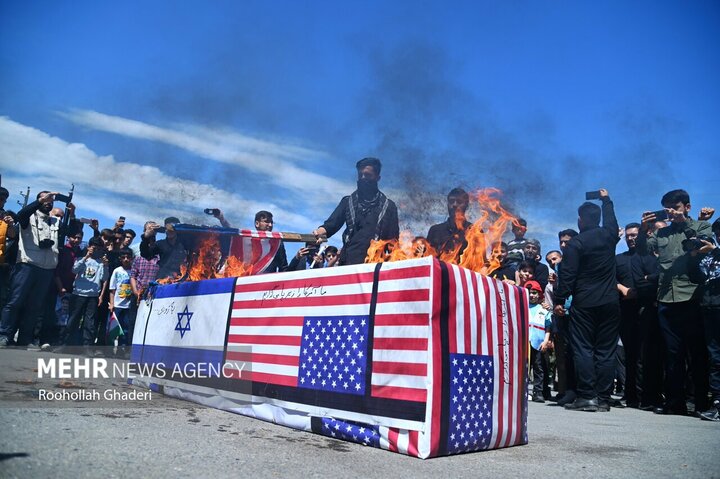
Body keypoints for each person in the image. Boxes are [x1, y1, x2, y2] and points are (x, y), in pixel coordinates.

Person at [637, 189, 711, 416]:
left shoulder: (700, 226)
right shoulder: (661, 234)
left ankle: (701, 403)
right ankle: (675, 402)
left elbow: (702, 247)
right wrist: (643, 230)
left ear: (687, 207)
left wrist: (685, 224)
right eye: (667, 208)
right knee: (672, 354)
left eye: (675, 207)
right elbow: (643, 250)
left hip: (692, 296)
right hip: (666, 299)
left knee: (697, 354)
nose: (671, 212)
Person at [554, 189, 620, 412]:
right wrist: (606, 200)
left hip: (585, 302)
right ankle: (603, 399)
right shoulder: (610, 235)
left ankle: (587, 397)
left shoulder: (576, 244)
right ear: (598, 218)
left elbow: (568, 276)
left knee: (583, 349)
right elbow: (611, 220)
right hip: (611, 301)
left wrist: (559, 300)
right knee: (606, 351)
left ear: (580, 220)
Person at [0, 191, 75, 347]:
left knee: (34, 307)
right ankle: (4, 335)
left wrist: (72, 215)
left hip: (47, 269)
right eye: (46, 199)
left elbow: (71, 232)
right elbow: (21, 215)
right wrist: (40, 201)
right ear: (39, 200)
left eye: (52, 200)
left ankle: (25, 340)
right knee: (14, 302)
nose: (50, 202)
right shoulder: (29, 217)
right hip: (27, 265)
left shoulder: (55, 221)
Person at [313, 158, 399, 265]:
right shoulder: (347, 201)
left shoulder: (389, 206)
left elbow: (393, 240)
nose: (363, 178)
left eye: (367, 175)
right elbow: (331, 224)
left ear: (377, 178)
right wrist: (320, 231)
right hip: (348, 261)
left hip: (375, 262)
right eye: (360, 175)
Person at [615, 222, 660, 408]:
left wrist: (640, 290)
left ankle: (646, 397)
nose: (631, 238)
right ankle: (629, 395)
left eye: (634, 235)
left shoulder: (649, 257)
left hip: (646, 309)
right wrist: (622, 288)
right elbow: (609, 278)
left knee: (645, 355)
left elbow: (656, 278)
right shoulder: (618, 259)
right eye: (628, 236)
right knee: (629, 355)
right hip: (625, 311)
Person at [688, 218, 720, 421]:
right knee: (716, 359)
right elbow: (695, 277)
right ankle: (717, 403)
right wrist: (693, 255)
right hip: (710, 309)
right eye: (718, 232)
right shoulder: (709, 257)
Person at [59, 236, 108, 351]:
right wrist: (86, 257)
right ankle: (65, 345)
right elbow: (74, 270)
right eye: (94, 248)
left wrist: (105, 266)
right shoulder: (81, 258)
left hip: (93, 296)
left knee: (89, 323)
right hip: (78, 293)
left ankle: (87, 347)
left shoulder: (101, 263)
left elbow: (104, 277)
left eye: (98, 249)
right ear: (89, 247)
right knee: (72, 320)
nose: (95, 251)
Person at [426, 188, 472, 261]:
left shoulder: (474, 231)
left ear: (466, 205)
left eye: (459, 202)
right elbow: (428, 260)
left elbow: (481, 262)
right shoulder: (435, 231)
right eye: (451, 201)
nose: (454, 204)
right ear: (447, 204)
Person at [527, 280, 552, 403]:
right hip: (524, 344)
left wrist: (546, 340)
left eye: (535, 293)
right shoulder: (522, 307)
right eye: (530, 293)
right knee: (524, 369)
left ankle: (538, 392)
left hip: (538, 343)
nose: (532, 295)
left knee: (538, 368)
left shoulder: (543, 310)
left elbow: (548, 327)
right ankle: (523, 391)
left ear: (539, 295)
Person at [109, 248, 135, 355]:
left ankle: (122, 350)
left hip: (128, 305)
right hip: (117, 304)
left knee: (126, 329)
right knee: (114, 328)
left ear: (131, 258)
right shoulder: (117, 271)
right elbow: (112, 288)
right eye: (123, 257)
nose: (126, 260)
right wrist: (111, 303)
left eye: (128, 257)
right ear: (120, 259)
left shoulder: (133, 271)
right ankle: (110, 350)